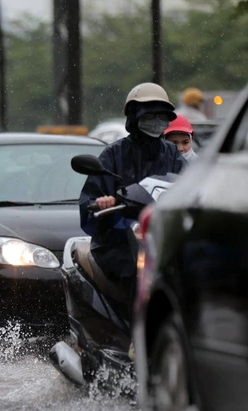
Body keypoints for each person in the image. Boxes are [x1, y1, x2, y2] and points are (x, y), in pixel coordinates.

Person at [79, 83, 186, 305]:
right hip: (118, 242)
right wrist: (103, 203)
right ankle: (136, 335)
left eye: (161, 115)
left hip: (163, 238)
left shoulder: (172, 154)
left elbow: (189, 186)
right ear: (134, 115)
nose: (156, 120)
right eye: (150, 114)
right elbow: (89, 202)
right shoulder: (113, 154)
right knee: (135, 274)